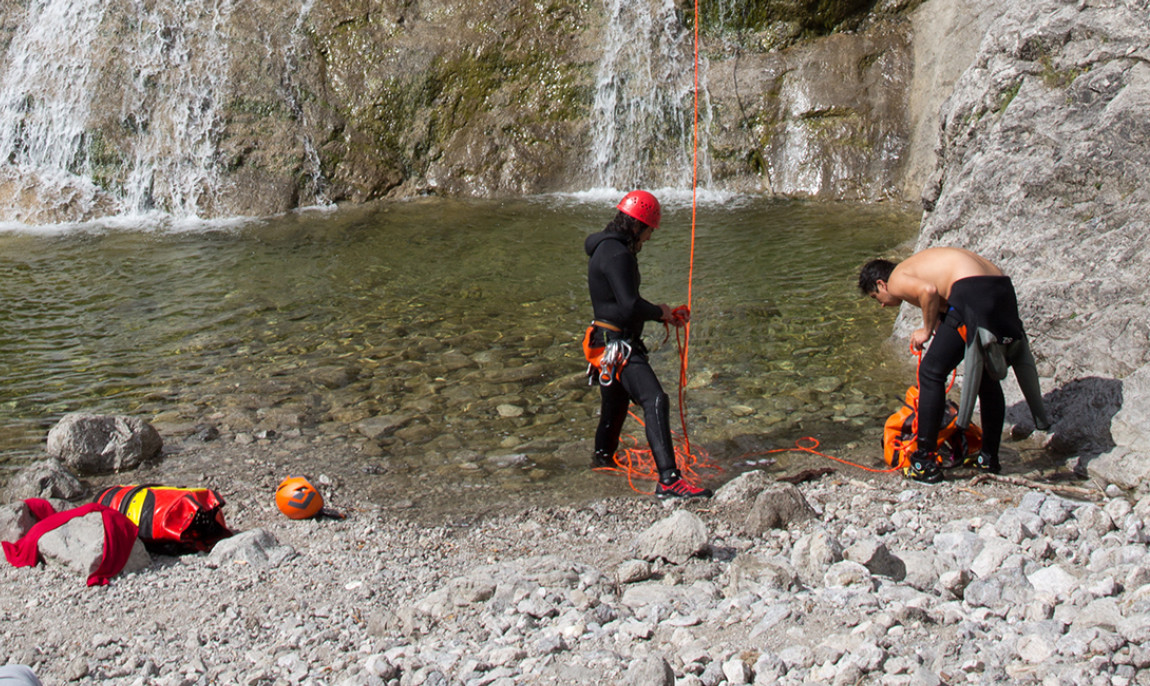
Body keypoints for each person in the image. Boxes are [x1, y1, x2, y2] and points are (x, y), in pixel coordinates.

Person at [859, 247, 1050, 483]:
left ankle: (924, 460)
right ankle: (988, 458)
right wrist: (941, 323)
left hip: (972, 292)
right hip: (1002, 290)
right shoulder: (919, 265)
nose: (881, 304)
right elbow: (943, 299)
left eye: (875, 297)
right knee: (987, 379)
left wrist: (926, 331)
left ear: (881, 284)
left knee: (930, 373)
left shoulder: (897, 277)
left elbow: (928, 291)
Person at [583, 190, 711, 499]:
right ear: (639, 225)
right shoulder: (619, 255)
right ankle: (669, 480)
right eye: (651, 230)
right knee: (655, 400)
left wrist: (662, 316)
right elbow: (628, 305)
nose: (650, 238)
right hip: (619, 346)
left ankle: (603, 461)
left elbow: (620, 304)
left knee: (614, 408)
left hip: (605, 345)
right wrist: (660, 312)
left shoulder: (605, 249)